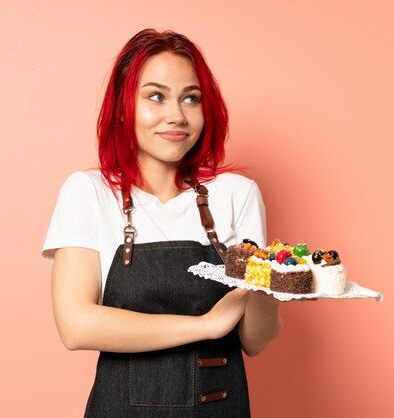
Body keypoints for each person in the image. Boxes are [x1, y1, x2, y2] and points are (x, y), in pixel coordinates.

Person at [41, 28, 281, 417]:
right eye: (156, 96)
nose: (177, 116)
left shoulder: (237, 194)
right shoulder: (89, 192)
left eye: (191, 98)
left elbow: (255, 340)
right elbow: (76, 325)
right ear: (123, 107)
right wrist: (205, 326)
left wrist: (271, 290)